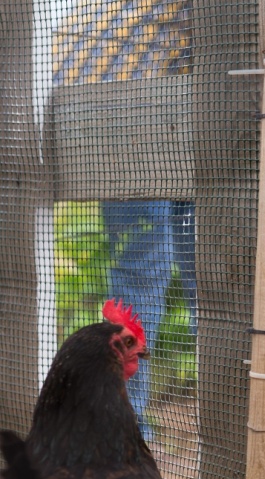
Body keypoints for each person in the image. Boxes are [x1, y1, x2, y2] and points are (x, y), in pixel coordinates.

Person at [53, 0, 197, 442]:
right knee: (191, 278)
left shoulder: (100, 15)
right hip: (138, 129)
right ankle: (129, 421)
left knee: (181, 276)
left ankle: (127, 420)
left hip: (131, 128)